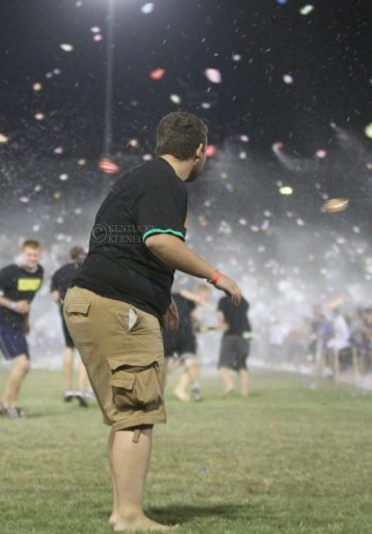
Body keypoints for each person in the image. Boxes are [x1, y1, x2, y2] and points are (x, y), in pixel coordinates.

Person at [63, 111, 241, 532]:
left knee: (127, 414)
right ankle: (129, 516)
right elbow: (159, 240)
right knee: (138, 411)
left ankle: (121, 510)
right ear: (199, 151)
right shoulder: (167, 182)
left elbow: (123, 243)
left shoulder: (139, 177)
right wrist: (215, 276)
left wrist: (160, 296)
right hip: (116, 306)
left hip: (99, 300)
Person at [0, 240, 44, 419]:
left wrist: (26, 320)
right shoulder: (9, 271)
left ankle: (3, 404)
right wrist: (12, 305)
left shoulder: (40, 272)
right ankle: (11, 407)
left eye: (35, 255)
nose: (32, 258)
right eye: (29, 255)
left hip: (18, 325)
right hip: (1, 323)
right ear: (22, 253)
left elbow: (28, 300)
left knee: (25, 366)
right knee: (22, 364)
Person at [51, 245, 91, 405]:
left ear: (70, 256)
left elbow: (54, 296)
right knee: (85, 350)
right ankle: (82, 389)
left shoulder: (59, 272)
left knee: (69, 348)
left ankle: (68, 388)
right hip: (85, 310)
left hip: (66, 310)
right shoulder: (87, 269)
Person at [168, 284, 210, 402]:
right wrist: (202, 302)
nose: (206, 299)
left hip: (183, 336)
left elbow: (194, 325)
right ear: (199, 292)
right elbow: (183, 292)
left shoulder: (191, 310)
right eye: (204, 295)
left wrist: (200, 327)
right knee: (185, 362)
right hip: (172, 333)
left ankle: (181, 389)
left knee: (190, 362)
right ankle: (159, 379)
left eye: (207, 297)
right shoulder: (185, 296)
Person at [217, 294, 252, 398]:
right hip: (245, 335)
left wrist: (221, 323)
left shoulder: (223, 300)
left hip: (230, 334)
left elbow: (220, 315)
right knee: (242, 364)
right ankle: (244, 393)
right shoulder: (244, 301)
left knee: (223, 366)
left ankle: (229, 385)